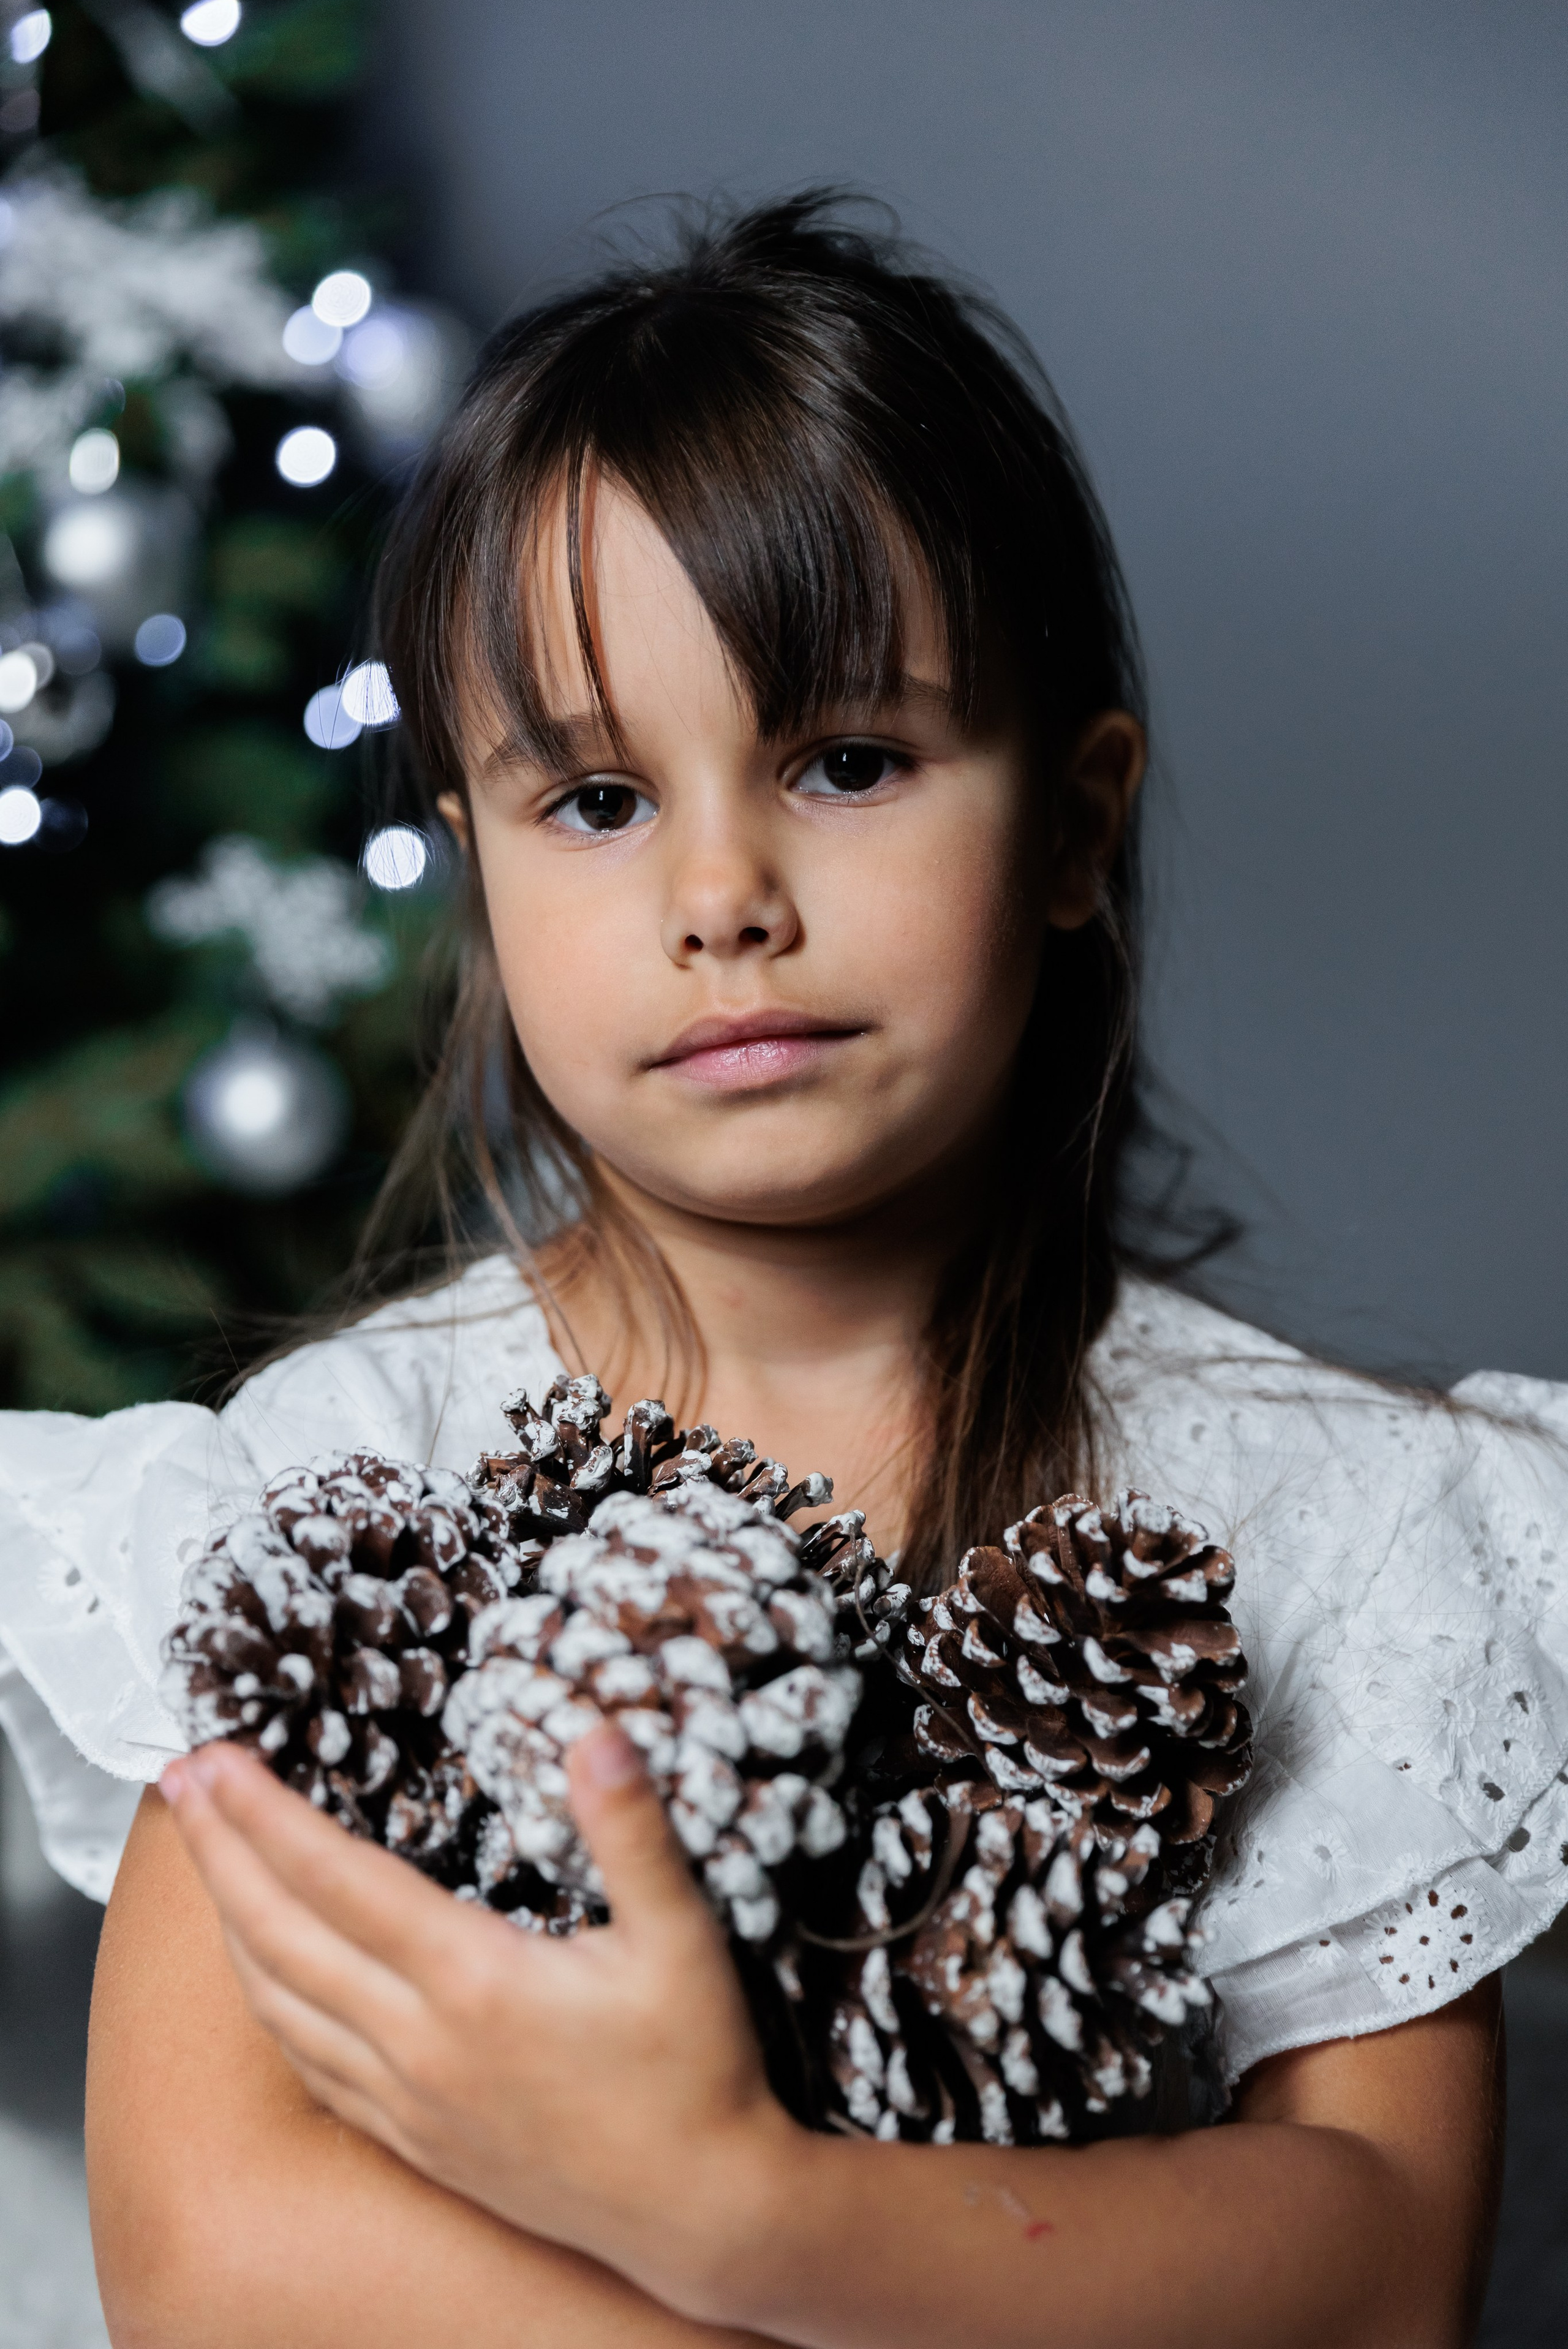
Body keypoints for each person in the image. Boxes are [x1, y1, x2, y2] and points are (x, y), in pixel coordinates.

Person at [1, 193, 1564, 2349]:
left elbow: (1379, 2265)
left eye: (847, 764)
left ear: (1077, 828)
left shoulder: (1347, 1529)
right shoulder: (343, 1490)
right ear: (475, 867)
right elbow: (212, 2260)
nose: (726, 893)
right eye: (601, 798)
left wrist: (742, 2218)